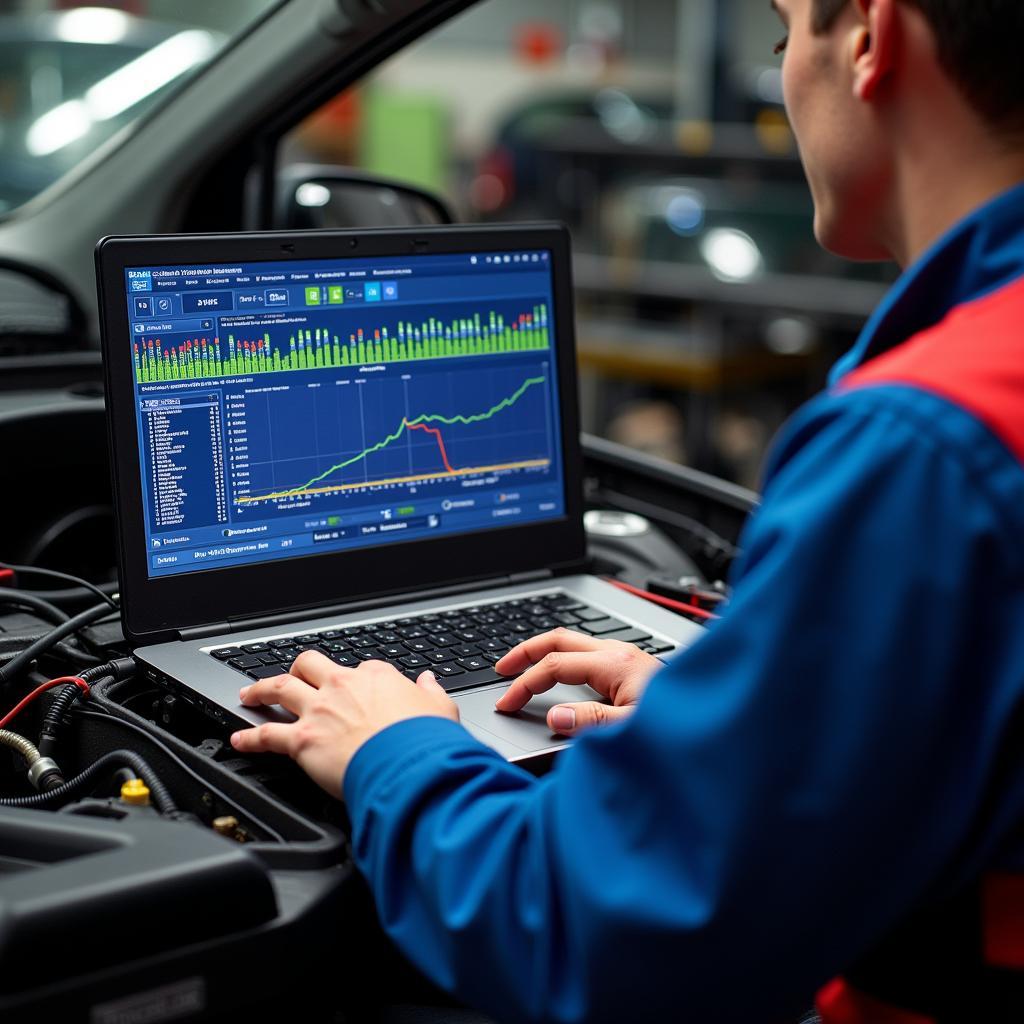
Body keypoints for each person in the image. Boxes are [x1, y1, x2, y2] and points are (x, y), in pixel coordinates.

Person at [230, 0, 1024, 1019]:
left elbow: (592, 936)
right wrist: (739, 713)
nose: (784, 80)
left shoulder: (926, 448)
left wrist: (396, 747)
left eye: (785, 38)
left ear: (869, 38)